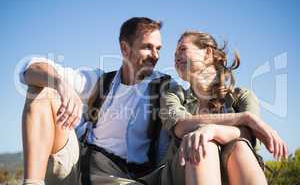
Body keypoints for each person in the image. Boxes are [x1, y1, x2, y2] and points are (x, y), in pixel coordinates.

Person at [20, 17, 194, 185]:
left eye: (158, 48)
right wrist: (60, 85)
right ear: (125, 48)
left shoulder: (165, 87)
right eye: (147, 47)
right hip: (75, 167)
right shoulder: (100, 80)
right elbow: (30, 67)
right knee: (42, 88)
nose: (155, 55)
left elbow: (185, 117)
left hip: (122, 178)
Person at [159, 31, 288, 185]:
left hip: (237, 167)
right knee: (203, 145)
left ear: (207, 53)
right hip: (182, 172)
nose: (176, 57)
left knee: (240, 145)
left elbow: (250, 136)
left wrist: (212, 130)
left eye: (182, 49)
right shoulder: (173, 94)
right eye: (174, 54)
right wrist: (245, 118)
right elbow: (179, 125)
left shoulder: (242, 96)